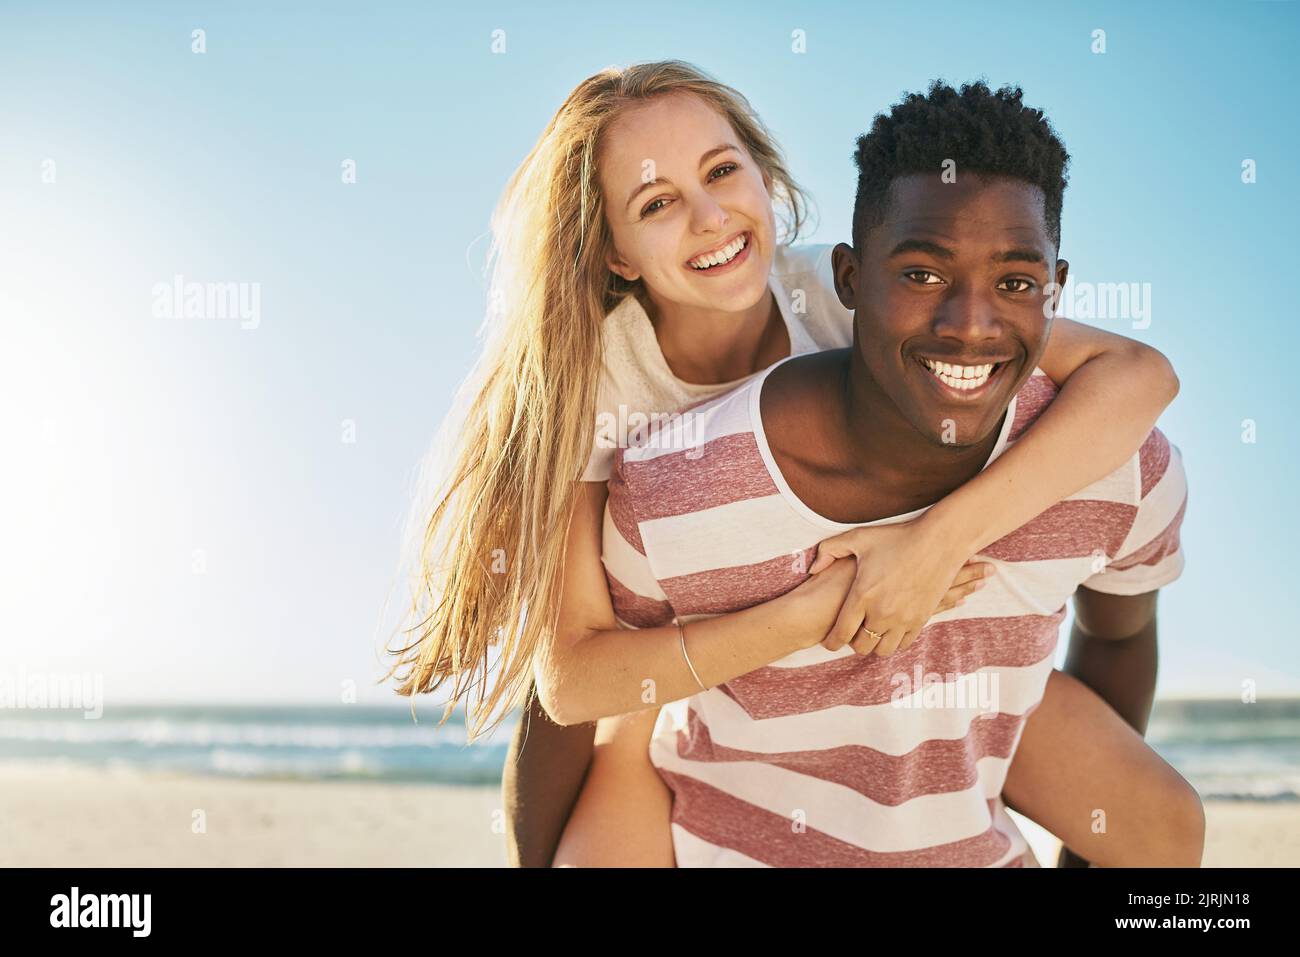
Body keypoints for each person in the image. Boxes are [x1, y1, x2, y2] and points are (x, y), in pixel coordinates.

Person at [381, 62, 1182, 867]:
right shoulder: (597, 385)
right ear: (615, 253)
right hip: (677, 661)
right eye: (657, 203)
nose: (709, 216)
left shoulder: (845, 294)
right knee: (626, 739)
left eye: (723, 171)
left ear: (765, 177)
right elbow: (571, 681)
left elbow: (1140, 375)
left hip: (913, 656)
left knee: (1160, 820)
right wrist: (814, 610)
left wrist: (937, 542)